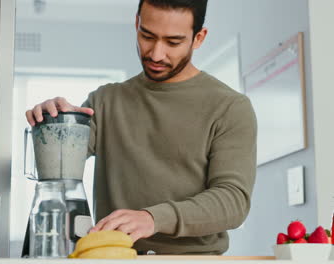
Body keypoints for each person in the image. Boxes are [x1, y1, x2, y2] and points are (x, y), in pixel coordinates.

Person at [26, 0, 257, 255]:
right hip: (113, 257)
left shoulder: (230, 108)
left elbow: (233, 201)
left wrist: (153, 218)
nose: (156, 54)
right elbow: (54, 172)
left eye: (173, 42)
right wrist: (55, 124)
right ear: (137, 23)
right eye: (147, 36)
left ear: (198, 38)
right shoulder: (104, 102)